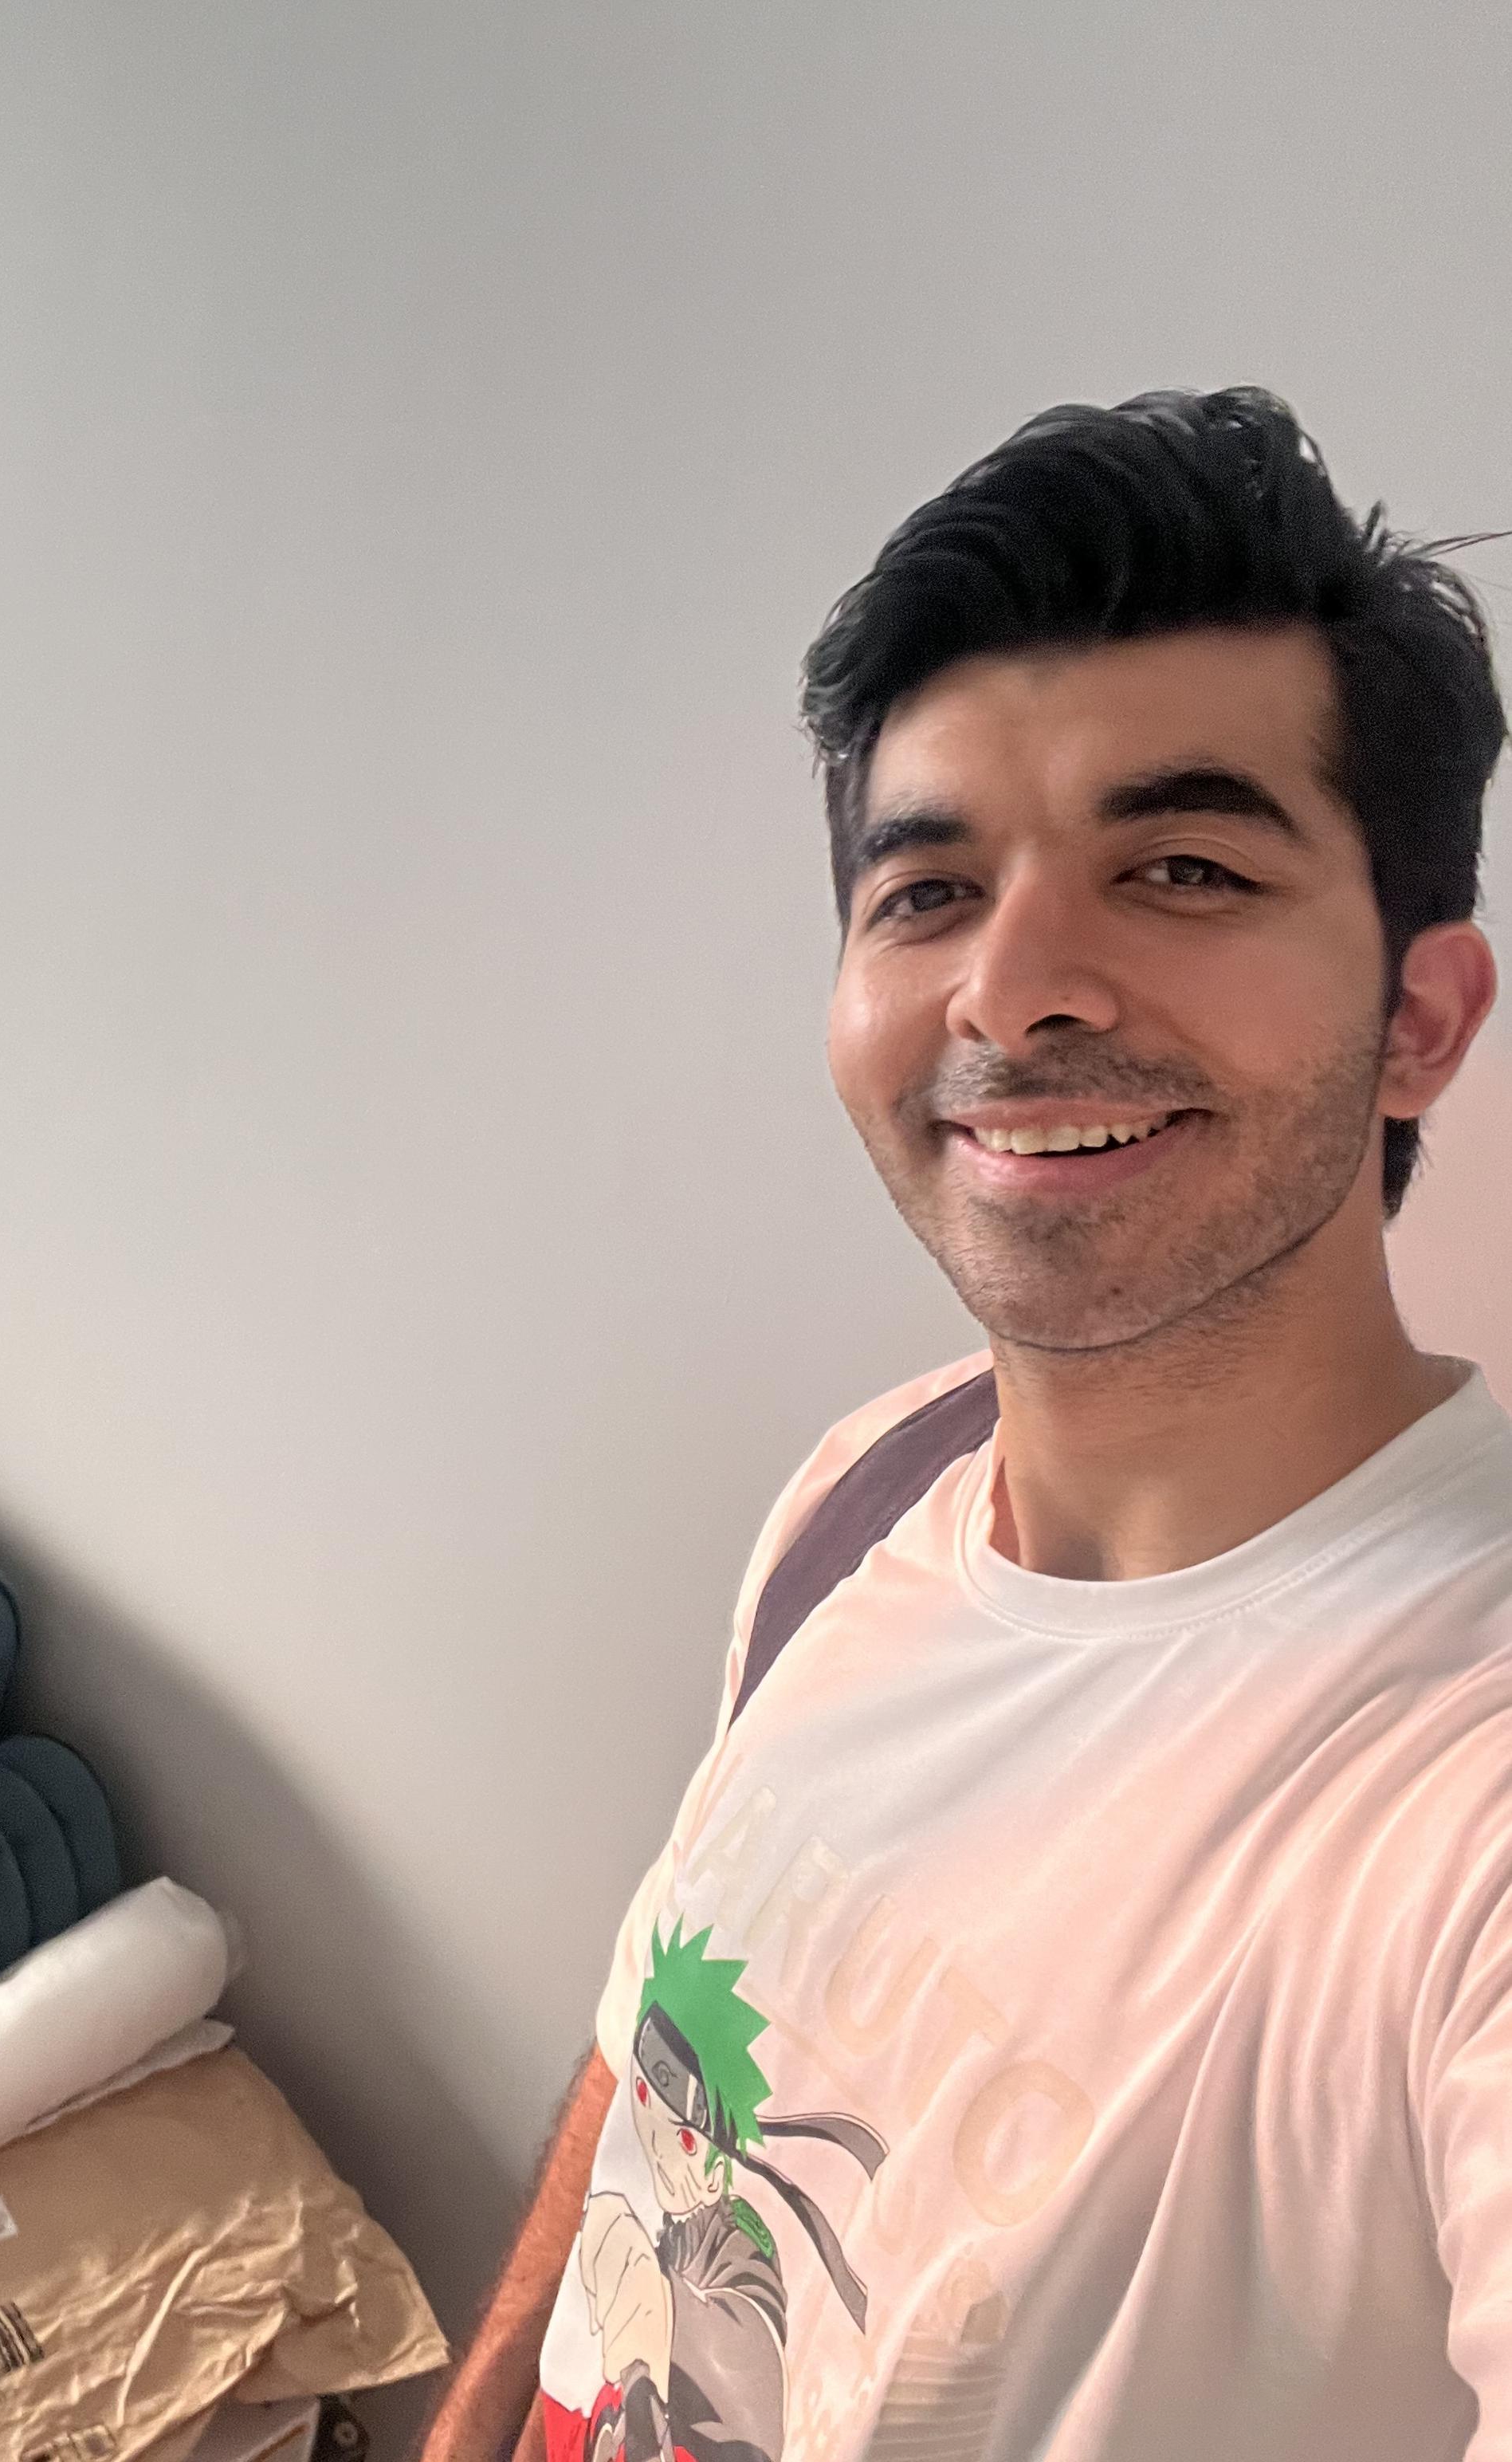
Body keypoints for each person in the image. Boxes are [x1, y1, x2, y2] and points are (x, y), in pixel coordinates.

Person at [418, 387, 1512, 2462]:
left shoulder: (1458, 1794)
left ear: (1418, 1019)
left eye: (1180, 866)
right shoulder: (874, 1483)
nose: (1011, 992)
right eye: (924, 892)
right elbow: (664, 2044)